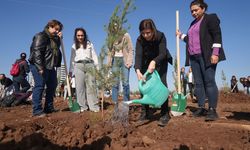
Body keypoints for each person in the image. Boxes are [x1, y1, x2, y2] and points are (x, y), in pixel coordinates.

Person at [176, 0, 226, 121]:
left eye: (196, 10)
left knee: (209, 81)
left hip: (207, 56)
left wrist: (215, 53)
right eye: (191, 11)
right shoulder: (192, 23)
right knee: (198, 83)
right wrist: (181, 35)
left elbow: (217, 35)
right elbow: (190, 39)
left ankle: (212, 110)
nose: (193, 12)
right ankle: (201, 107)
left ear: (203, 9)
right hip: (194, 57)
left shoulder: (210, 18)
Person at [134, 19, 173, 126]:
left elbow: (163, 53)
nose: (146, 35)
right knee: (143, 84)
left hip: (161, 60)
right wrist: (137, 70)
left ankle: (164, 113)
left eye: (148, 33)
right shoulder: (139, 40)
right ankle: (145, 112)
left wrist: (154, 61)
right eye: (143, 33)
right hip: (145, 62)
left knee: (162, 83)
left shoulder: (160, 36)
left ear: (153, 30)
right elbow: (138, 56)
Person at [29, 19, 63, 117]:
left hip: (50, 65)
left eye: (59, 29)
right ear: (50, 26)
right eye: (56, 29)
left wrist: (60, 39)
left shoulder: (54, 38)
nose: (57, 31)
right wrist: (40, 67)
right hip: (39, 65)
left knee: (52, 85)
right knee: (40, 86)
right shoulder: (41, 36)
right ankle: (37, 110)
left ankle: (48, 107)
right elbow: (36, 52)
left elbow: (56, 49)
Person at [69, 27, 99, 112]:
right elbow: (72, 59)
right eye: (78, 35)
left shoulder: (90, 44)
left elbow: (94, 56)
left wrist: (97, 68)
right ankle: (82, 107)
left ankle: (93, 107)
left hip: (90, 65)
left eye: (82, 35)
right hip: (78, 66)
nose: (80, 37)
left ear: (84, 36)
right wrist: (70, 71)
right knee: (80, 87)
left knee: (91, 86)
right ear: (76, 36)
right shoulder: (74, 46)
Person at [107, 18, 134, 104]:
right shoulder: (110, 37)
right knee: (115, 83)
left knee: (125, 82)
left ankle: (126, 103)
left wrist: (129, 61)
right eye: (113, 26)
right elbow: (109, 51)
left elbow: (131, 49)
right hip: (115, 60)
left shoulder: (126, 35)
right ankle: (115, 103)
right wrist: (108, 63)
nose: (115, 28)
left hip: (124, 60)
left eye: (116, 25)